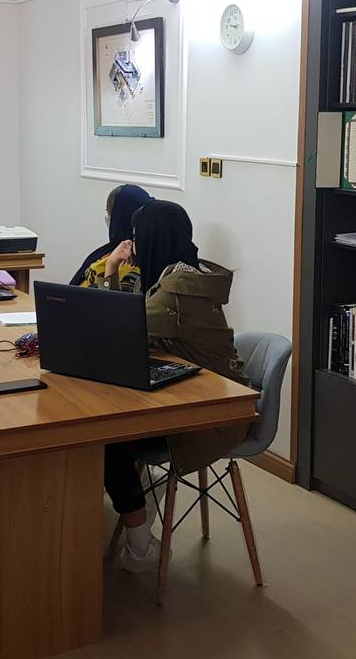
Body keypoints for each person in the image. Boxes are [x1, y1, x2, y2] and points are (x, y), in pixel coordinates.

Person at [100, 200, 250, 571]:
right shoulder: (182, 273)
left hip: (208, 417)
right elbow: (131, 324)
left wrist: (110, 270)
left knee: (106, 442)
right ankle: (142, 495)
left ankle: (141, 545)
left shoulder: (176, 292)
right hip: (195, 397)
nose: (132, 244)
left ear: (151, 239)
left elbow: (115, 330)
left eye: (137, 237)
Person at [68, 183, 152, 291]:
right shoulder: (112, 249)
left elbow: (108, 299)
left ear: (120, 218)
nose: (107, 217)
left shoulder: (133, 262)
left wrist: (111, 265)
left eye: (110, 213)